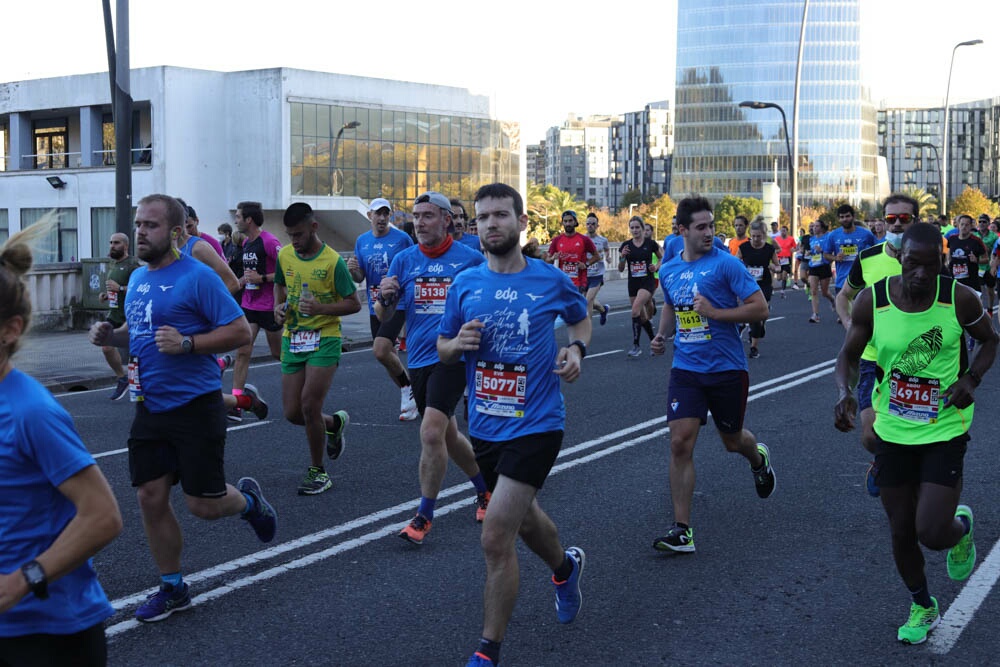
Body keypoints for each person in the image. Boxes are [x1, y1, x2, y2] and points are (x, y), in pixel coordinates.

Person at [87, 194, 277, 623]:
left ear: (175, 232)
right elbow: (138, 333)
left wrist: (189, 343)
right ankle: (172, 587)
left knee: (203, 506)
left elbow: (240, 333)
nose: (140, 232)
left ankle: (249, 503)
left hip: (196, 406)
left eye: (150, 225)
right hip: (149, 406)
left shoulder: (198, 277)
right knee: (149, 496)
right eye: (138, 224)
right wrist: (109, 336)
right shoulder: (137, 279)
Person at [438, 183, 590, 667]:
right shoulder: (464, 284)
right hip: (484, 423)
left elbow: (580, 319)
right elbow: (441, 347)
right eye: (483, 217)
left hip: (538, 422)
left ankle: (487, 651)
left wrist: (576, 349)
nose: (491, 224)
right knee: (524, 520)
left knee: (495, 533)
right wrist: (456, 343)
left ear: (522, 222)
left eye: (501, 215)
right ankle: (565, 569)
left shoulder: (549, 280)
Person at [834, 222, 997, 645]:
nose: (921, 274)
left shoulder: (959, 297)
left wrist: (971, 380)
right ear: (900, 259)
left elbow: (991, 341)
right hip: (893, 429)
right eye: (912, 264)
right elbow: (849, 354)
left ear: (941, 262)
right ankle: (922, 604)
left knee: (930, 532)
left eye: (930, 265)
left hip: (944, 427)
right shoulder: (874, 299)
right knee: (901, 530)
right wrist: (844, 393)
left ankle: (959, 528)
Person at [0, 219, 123, 667]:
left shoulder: (32, 412)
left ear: (10, 329)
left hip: (47, 635)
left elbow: (103, 516)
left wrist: (21, 581)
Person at [650, 196, 775, 553]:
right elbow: (672, 306)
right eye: (701, 227)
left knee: (732, 441)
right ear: (682, 231)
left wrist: (717, 313)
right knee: (679, 442)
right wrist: (662, 336)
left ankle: (758, 458)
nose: (709, 233)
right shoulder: (670, 270)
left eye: (711, 225)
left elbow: (760, 309)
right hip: (686, 368)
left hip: (726, 368)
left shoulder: (726, 265)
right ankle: (682, 531)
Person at [377, 192, 490, 544]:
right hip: (421, 358)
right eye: (415, 216)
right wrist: (385, 297)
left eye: (427, 216)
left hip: (454, 356)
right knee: (449, 436)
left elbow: (484, 310)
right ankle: (486, 491)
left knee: (430, 432)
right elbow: (385, 316)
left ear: (446, 220)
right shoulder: (403, 259)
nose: (419, 222)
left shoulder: (470, 260)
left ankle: (423, 516)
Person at [835, 194, 920, 497]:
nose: (896, 224)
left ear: (916, 222)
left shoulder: (930, 261)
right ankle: (882, 460)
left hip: (918, 360)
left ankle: (905, 473)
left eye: (904, 219)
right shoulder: (868, 258)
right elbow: (843, 296)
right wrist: (851, 328)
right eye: (891, 218)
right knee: (871, 434)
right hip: (874, 359)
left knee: (912, 433)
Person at [272, 202, 359, 495]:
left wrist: (321, 307)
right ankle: (333, 423)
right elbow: (280, 286)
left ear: (313, 227)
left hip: (325, 337)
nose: (293, 241)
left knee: (310, 405)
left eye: (298, 234)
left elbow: (353, 303)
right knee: (293, 413)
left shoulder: (332, 261)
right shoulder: (284, 255)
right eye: (289, 235)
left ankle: (318, 471)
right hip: (293, 338)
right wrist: (278, 307)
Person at [347, 198, 418, 421]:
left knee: (380, 349)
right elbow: (361, 276)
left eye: (386, 213)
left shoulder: (402, 239)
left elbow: (414, 266)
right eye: (378, 213)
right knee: (387, 356)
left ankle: (408, 389)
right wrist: (353, 270)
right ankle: (411, 395)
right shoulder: (362, 241)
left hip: (398, 302)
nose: (382, 218)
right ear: (369, 216)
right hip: (375, 305)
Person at [230, 201, 284, 422]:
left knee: (278, 354)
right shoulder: (246, 244)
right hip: (249, 305)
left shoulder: (269, 241)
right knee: (243, 352)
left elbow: (287, 270)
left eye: (238, 216)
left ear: (248, 220)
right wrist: (243, 280)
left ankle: (305, 381)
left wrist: (262, 279)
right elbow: (249, 272)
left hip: (270, 307)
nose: (236, 219)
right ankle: (236, 403)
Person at [98, 232, 141, 401]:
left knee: (136, 356)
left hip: (130, 316)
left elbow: (141, 290)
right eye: (110, 242)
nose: (112, 246)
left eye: (116, 243)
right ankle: (121, 378)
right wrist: (106, 295)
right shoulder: (113, 264)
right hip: (114, 314)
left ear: (125, 245)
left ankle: (141, 386)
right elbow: (114, 289)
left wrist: (121, 289)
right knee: (106, 346)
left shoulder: (133, 266)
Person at [173, 198, 241, 295]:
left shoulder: (205, 244)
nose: (187, 231)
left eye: (189, 226)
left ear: (197, 221)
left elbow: (231, 281)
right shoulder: (167, 247)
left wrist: (211, 305)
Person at [618, 216, 662, 358]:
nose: (635, 230)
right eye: (632, 227)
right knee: (641, 317)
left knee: (635, 309)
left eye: (637, 227)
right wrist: (623, 257)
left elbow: (662, 257)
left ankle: (636, 346)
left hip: (647, 281)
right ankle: (654, 342)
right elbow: (620, 269)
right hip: (633, 283)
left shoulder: (650, 244)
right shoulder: (626, 245)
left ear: (643, 229)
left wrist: (655, 267)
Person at [737, 221, 781, 359]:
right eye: (754, 236)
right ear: (750, 235)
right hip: (748, 285)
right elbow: (735, 262)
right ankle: (754, 347)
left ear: (764, 235)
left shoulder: (769, 249)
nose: (756, 239)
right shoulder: (743, 247)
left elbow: (778, 265)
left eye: (759, 236)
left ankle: (759, 323)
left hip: (764, 284)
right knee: (755, 315)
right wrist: (741, 267)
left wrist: (775, 268)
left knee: (761, 315)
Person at [823, 203, 876, 299]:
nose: (845, 219)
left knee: (860, 313)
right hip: (842, 281)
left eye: (847, 216)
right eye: (842, 217)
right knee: (843, 313)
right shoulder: (833, 235)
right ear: (838, 219)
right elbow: (826, 255)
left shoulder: (866, 234)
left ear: (853, 217)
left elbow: (876, 252)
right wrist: (835, 257)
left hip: (862, 281)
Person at [546, 211, 598, 295]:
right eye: (565, 221)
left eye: (570, 221)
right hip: (562, 281)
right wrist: (552, 259)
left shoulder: (584, 239)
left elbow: (597, 257)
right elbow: (547, 260)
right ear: (562, 223)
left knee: (575, 307)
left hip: (579, 282)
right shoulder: (557, 240)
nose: (568, 224)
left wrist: (586, 264)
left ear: (575, 222)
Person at [947, 214, 988, 293]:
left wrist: (977, 260)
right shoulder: (952, 238)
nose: (964, 227)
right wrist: (948, 262)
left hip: (971, 281)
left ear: (971, 226)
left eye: (966, 225)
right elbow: (949, 252)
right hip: (955, 279)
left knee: (972, 304)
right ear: (958, 225)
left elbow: (986, 259)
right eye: (962, 224)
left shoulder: (976, 241)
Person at [584, 212, 611, 326]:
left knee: (587, 300)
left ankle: (587, 328)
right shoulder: (581, 239)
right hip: (584, 274)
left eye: (593, 224)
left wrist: (608, 257)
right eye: (588, 223)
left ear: (597, 226)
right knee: (588, 300)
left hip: (597, 274)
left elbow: (606, 249)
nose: (590, 225)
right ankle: (603, 310)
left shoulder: (602, 240)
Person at [807, 220, 836, 323]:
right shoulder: (812, 239)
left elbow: (830, 252)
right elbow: (811, 251)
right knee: (813, 291)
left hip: (824, 266)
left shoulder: (827, 237)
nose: (814, 228)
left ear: (822, 227)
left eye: (817, 226)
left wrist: (822, 251)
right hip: (813, 266)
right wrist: (810, 252)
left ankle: (833, 300)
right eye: (814, 226)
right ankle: (815, 314)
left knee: (824, 292)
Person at [975, 214, 997, 314]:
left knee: (990, 291)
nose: (982, 224)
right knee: (979, 291)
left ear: (988, 223)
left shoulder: (993, 236)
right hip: (977, 267)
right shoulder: (974, 235)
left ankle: (990, 309)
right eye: (980, 221)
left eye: (984, 222)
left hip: (989, 267)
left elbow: (997, 252)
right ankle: (980, 310)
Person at [773, 225, 798, 295]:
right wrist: (775, 251)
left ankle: (782, 290)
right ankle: (786, 277)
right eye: (781, 231)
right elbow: (773, 247)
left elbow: (796, 247)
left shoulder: (791, 239)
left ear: (787, 231)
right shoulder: (777, 239)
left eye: (784, 231)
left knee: (784, 275)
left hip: (787, 259)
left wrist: (793, 250)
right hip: (779, 259)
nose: (782, 232)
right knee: (778, 278)